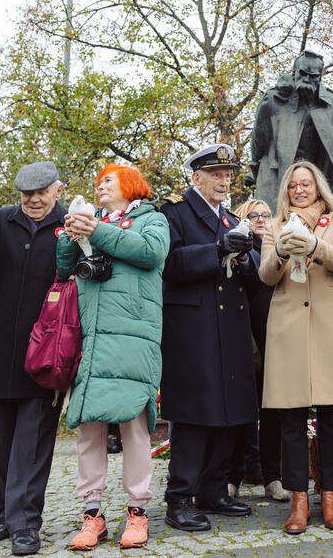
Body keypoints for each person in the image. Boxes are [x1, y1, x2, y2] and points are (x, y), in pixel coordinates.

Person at [57, 164, 169, 550]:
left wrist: (95, 230)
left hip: (133, 338)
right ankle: (92, 515)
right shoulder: (93, 220)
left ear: (131, 185)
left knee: (135, 427)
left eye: (109, 179)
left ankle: (138, 512)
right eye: (98, 181)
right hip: (90, 338)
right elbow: (63, 269)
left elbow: (151, 253)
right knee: (89, 429)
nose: (100, 186)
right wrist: (71, 237)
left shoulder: (152, 219)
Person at [0, 162, 67, 555]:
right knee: (3, 436)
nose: (34, 201)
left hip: (48, 349)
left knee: (33, 439)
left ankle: (26, 522)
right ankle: (4, 513)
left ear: (57, 190)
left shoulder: (72, 226)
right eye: (26, 194)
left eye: (41, 193)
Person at [259, 160, 333, 535]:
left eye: (306, 184)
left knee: (332, 417)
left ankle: (330, 497)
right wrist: (280, 252)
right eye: (293, 186)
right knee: (290, 419)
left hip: (331, 328)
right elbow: (265, 275)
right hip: (288, 328)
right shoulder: (275, 225)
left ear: (318, 187)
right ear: (286, 192)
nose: (300, 190)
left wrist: (314, 246)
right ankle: (298, 500)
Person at [159, 144, 260, 532]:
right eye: (216, 174)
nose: (224, 181)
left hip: (230, 327)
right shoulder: (175, 212)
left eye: (228, 174)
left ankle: (214, 490)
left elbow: (246, 277)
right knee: (194, 416)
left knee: (230, 411)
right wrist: (217, 248)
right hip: (193, 328)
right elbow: (168, 263)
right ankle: (180, 497)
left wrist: (247, 255)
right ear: (195, 177)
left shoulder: (232, 218)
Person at [228, 199, 290, 502]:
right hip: (242, 339)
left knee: (272, 413)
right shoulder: (238, 252)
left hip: (274, 340)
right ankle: (233, 477)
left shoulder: (279, 248)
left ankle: (272, 476)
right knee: (241, 412)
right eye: (253, 215)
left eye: (266, 215)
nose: (261, 219)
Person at [250, 50, 333, 211]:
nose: (308, 79)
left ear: (320, 77)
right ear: (294, 72)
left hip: (316, 182)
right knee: (271, 226)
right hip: (277, 176)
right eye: (303, 74)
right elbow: (258, 144)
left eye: (314, 76)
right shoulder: (273, 100)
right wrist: (256, 171)